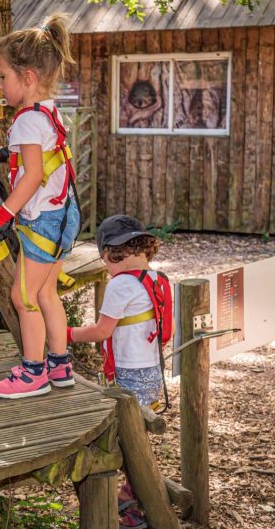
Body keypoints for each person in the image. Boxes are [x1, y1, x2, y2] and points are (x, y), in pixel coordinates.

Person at [0, 13, 80, 398]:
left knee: (24, 297)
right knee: (46, 294)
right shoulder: (47, 113)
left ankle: (33, 372)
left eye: (2, 76)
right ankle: (60, 364)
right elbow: (39, 165)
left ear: (27, 77)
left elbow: (31, 177)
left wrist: (0, 216)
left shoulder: (28, 120)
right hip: (63, 215)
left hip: (43, 220)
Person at [67, 214, 169, 529]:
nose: (107, 269)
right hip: (153, 373)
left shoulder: (121, 284)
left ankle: (132, 505)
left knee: (125, 442)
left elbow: (100, 332)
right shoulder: (160, 279)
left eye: (105, 262)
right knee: (137, 439)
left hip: (129, 374)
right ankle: (134, 498)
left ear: (113, 253)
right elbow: (170, 329)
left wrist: (65, 334)